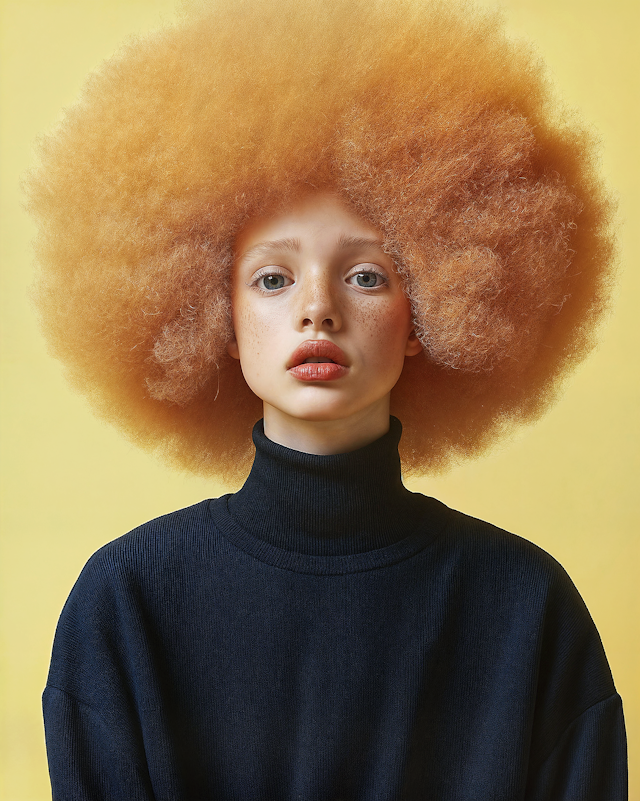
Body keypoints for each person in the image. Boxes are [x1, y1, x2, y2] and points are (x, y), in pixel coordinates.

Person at [28, 0, 627, 797]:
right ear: (219, 321)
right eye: (273, 278)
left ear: (430, 311)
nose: (318, 308)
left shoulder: (527, 611)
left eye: (367, 274)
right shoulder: (127, 604)